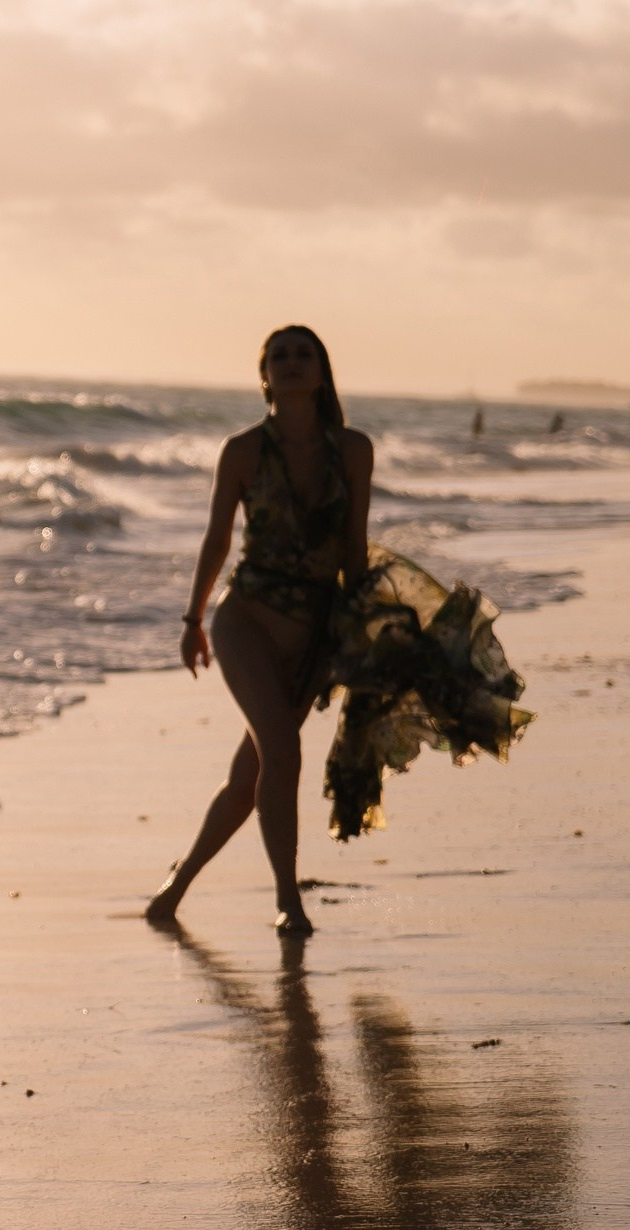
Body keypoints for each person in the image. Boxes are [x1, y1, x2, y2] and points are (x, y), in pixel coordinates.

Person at [145, 325, 531, 935]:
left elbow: (352, 547)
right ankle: (286, 901)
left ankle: (174, 887)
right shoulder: (242, 451)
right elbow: (217, 539)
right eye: (280, 357)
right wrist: (192, 619)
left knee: (253, 773)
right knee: (283, 751)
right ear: (264, 377)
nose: (292, 364)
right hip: (244, 622)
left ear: (322, 373)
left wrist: (362, 634)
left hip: (316, 632)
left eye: (304, 355)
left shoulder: (353, 450)